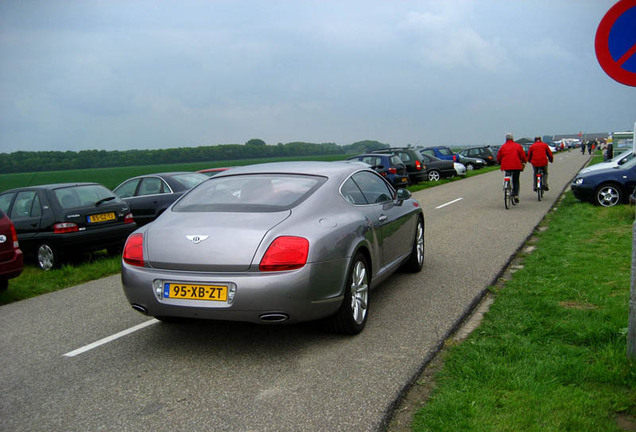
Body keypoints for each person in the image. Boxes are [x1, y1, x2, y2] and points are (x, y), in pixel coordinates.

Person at [497, 133, 527, 203]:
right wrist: (524, 161)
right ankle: (516, 194)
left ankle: (506, 185)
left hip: (506, 166)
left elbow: (499, 156)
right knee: (516, 180)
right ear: (512, 138)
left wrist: (499, 162)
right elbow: (522, 155)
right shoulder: (517, 146)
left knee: (507, 175)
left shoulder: (503, 147)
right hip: (516, 166)